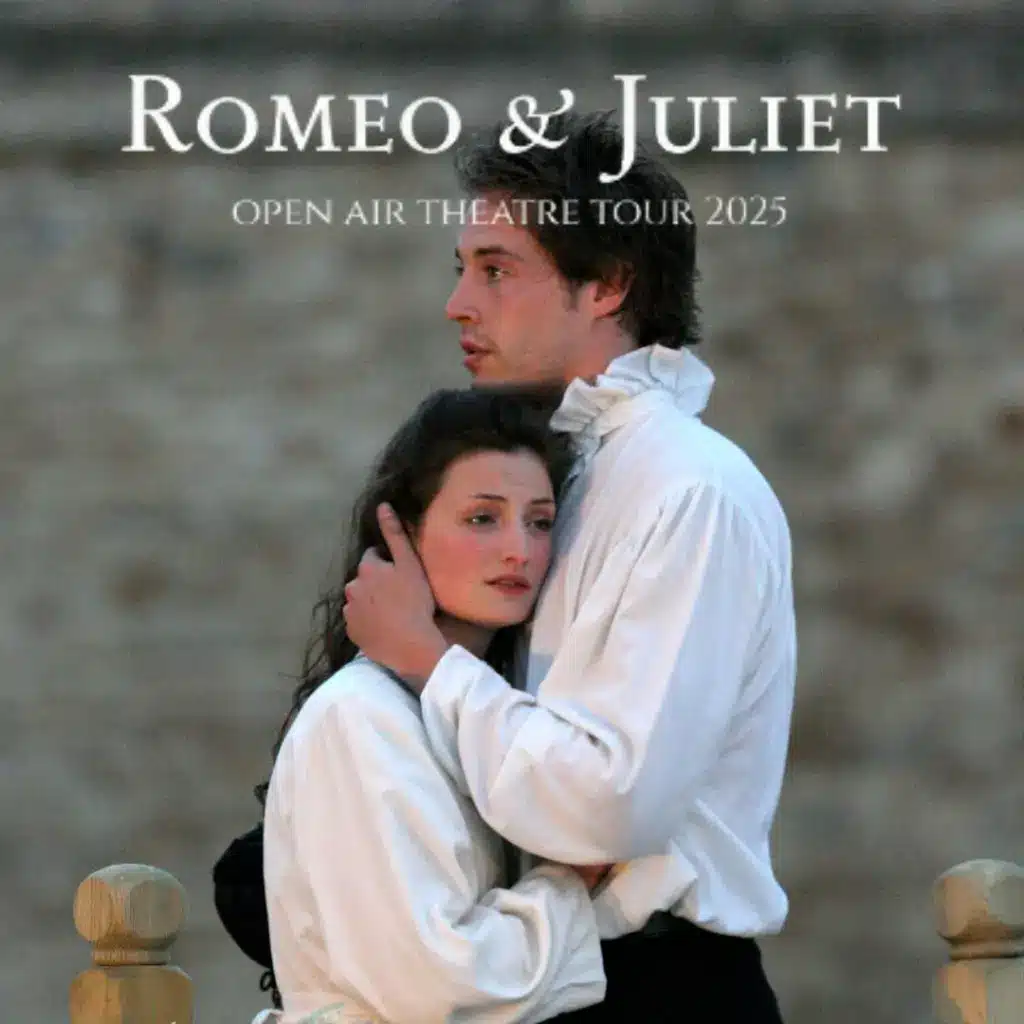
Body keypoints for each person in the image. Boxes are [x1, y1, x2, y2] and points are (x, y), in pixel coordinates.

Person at [341, 112, 796, 1022]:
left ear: (609, 284)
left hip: (658, 996)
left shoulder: (690, 490)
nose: (459, 304)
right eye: (462, 270)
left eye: (497, 271)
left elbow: (611, 809)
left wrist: (428, 660)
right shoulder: (557, 480)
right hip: (538, 979)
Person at [252, 387, 609, 1023]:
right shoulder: (359, 716)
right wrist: (567, 886)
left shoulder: (488, 714)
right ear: (403, 533)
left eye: (540, 520)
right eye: (482, 518)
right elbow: (432, 985)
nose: (518, 550)